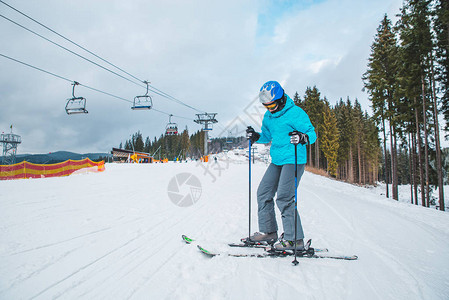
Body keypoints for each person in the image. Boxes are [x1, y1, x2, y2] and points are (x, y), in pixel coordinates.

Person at [245, 80, 316, 250]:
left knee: (284, 197)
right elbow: (266, 136)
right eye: (266, 106)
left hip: (294, 159)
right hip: (277, 160)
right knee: (263, 193)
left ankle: (295, 240)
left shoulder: (295, 113)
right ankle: (269, 232)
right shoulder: (269, 116)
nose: (270, 109)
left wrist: (302, 137)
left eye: (272, 105)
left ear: (281, 99)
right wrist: (256, 136)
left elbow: (311, 134)